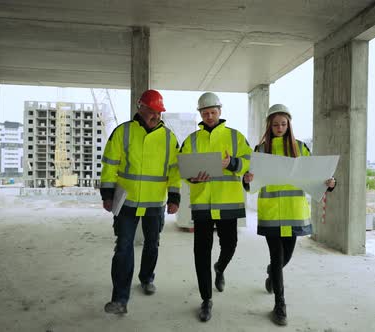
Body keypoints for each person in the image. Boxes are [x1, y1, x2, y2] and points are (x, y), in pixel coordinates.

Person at [243, 104, 336, 326]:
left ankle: (271, 273)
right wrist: (246, 180)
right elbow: (251, 182)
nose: (279, 127)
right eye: (275, 124)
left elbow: (315, 177)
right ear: (269, 125)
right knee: (277, 257)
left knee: (287, 257)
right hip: (272, 212)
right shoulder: (261, 150)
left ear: (289, 125)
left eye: (283, 124)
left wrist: (330, 184)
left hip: (294, 211)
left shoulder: (300, 148)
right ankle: (280, 305)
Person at [100, 89, 181, 315]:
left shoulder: (168, 137)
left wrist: (174, 197)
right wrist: (107, 194)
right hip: (127, 202)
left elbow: (174, 171)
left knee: (152, 244)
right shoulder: (123, 132)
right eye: (152, 111)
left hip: (155, 203)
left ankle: (146, 278)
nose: (157, 115)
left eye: (159, 112)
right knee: (124, 247)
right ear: (140, 108)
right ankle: (120, 298)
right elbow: (109, 165)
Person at [180, 92, 252, 322]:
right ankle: (206, 299)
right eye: (205, 112)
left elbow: (249, 161)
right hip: (202, 203)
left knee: (229, 245)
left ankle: (219, 268)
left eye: (213, 112)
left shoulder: (235, 137)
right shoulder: (191, 140)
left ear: (220, 112)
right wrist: (193, 179)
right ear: (200, 113)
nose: (209, 116)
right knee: (201, 252)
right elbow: (183, 168)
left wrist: (231, 163)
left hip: (228, 202)